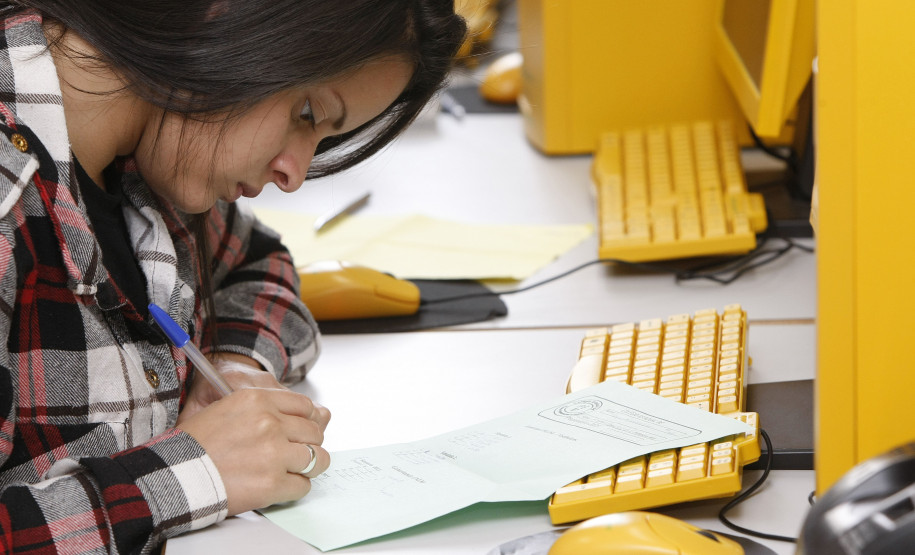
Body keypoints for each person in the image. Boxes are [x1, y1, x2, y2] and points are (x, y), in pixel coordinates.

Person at [0, 0, 466, 553]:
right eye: (309, 114)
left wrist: (232, 367)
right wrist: (196, 470)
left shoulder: (143, 157)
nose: (293, 176)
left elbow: (257, 263)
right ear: (223, 16)